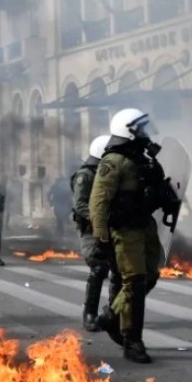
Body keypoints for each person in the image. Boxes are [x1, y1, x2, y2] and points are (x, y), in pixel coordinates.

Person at [89, 109, 178, 364]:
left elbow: (156, 187)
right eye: (140, 128)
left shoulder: (144, 158)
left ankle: (110, 316)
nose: (145, 132)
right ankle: (132, 341)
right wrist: (101, 236)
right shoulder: (113, 161)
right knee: (135, 283)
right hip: (125, 230)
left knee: (150, 275)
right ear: (128, 130)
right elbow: (99, 201)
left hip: (145, 225)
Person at [71, 135, 121, 332]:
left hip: (112, 227)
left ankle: (113, 313)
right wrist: (99, 216)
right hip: (91, 230)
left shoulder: (107, 172)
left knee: (118, 270)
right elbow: (80, 205)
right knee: (99, 269)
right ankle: (89, 314)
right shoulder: (86, 175)